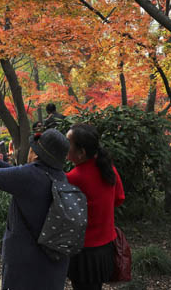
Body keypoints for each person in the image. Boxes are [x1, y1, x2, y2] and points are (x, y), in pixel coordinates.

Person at [0, 128, 72, 290]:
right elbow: (15, 175)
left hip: (25, 265)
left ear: (36, 154)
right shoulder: (60, 176)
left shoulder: (30, 175)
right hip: (53, 263)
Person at [65, 124, 125, 290]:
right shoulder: (108, 168)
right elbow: (119, 198)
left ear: (81, 152)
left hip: (84, 252)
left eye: (68, 142)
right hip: (105, 247)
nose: (64, 145)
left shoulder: (73, 178)